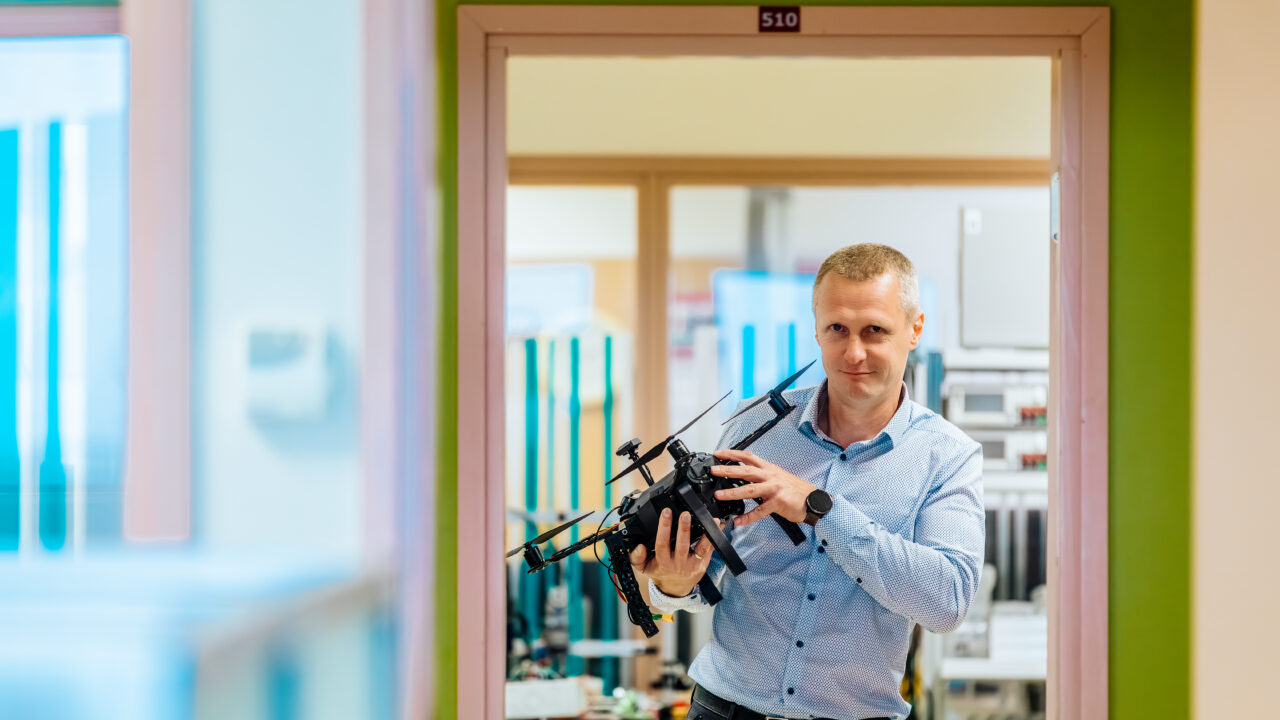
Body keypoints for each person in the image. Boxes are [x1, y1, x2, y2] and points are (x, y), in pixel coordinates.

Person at [629, 243, 984, 720]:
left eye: (875, 330)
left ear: (915, 328)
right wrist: (674, 585)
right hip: (722, 709)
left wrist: (820, 508)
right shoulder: (755, 426)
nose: (853, 352)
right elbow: (703, 580)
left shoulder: (948, 456)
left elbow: (948, 601)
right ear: (817, 326)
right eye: (837, 328)